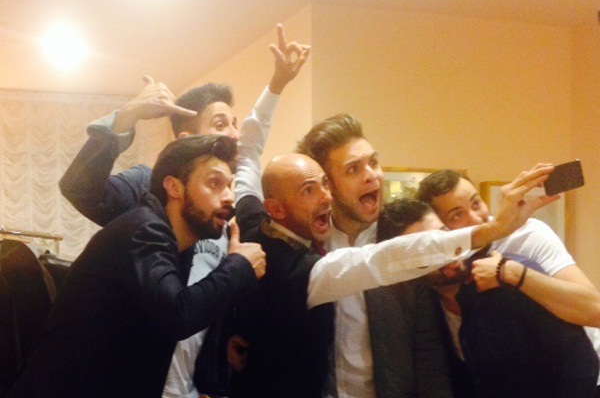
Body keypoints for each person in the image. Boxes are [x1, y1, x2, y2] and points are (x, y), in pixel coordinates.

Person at [229, 107, 556, 397]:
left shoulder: (403, 235)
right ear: (329, 184)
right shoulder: (306, 246)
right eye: (353, 169)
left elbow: (427, 349)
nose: (371, 175)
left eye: (373, 163)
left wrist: (493, 230)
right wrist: (229, 333)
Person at [58, 24, 310, 397]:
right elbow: (80, 187)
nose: (235, 135)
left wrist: (277, 84)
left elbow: (218, 290)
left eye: (235, 124)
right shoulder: (150, 191)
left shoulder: (224, 207)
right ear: (187, 143)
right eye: (221, 124)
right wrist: (127, 116)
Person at [7, 135, 266, 398]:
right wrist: (239, 265)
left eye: (230, 186)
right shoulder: (144, 230)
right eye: (215, 183)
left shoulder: (180, 247)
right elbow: (178, 316)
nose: (229, 198)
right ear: (174, 187)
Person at [378, 198, 599, 398]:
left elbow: (579, 363)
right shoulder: (424, 310)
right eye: (425, 252)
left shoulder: (510, 278)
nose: (444, 253)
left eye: (443, 237)